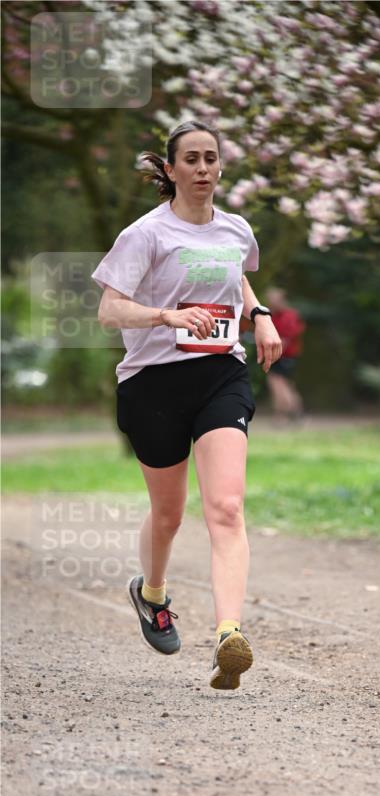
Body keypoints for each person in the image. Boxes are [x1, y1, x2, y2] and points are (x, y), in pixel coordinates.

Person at [91, 120, 282, 691]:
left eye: (211, 158)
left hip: (221, 374)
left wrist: (260, 315)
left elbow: (235, 277)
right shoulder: (145, 234)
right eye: (191, 159)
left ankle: (228, 637)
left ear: (221, 167)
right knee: (169, 513)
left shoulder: (236, 229)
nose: (202, 168)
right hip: (153, 381)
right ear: (171, 170)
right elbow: (109, 310)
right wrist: (165, 316)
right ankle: (152, 595)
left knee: (226, 506)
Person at [264, 287, 306, 420]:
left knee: (278, 384)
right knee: (286, 385)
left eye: (273, 300)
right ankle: (296, 414)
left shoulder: (288, 316)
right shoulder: (273, 315)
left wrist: (272, 355)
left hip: (284, 355)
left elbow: (286, 338)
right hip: (282, 355)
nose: (270, 303)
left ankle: (283, 415)